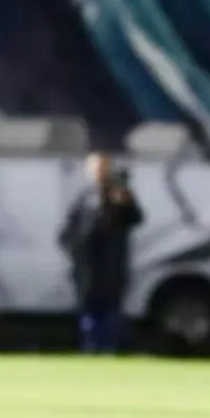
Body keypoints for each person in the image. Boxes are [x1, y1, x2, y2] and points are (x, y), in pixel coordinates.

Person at [59, 152, 142, 354]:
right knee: (89, 311)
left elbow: (136, 219)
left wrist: (124, 202)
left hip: (112, 266)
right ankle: (91, 347)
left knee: (111, 310)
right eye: (96, 168)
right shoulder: (85, 198)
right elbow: (68, 232)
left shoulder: (120, 193)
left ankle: (111, 348)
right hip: (87, 267)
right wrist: (75, 251)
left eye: (103, 168)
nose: (100, 172)